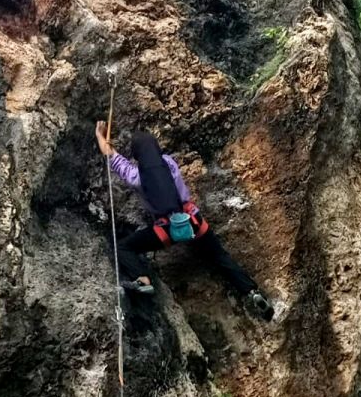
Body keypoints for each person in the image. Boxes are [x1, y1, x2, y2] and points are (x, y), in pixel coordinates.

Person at [95, 121, 274, 321]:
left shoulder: (135, 176)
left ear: (137, 155)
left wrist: (101, 135)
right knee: (219, 256)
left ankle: (143, 279)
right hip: (193, 221)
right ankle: (251, 291)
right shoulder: (169, 162)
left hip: (166, 231)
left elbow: (112, 157)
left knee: (124, 247)